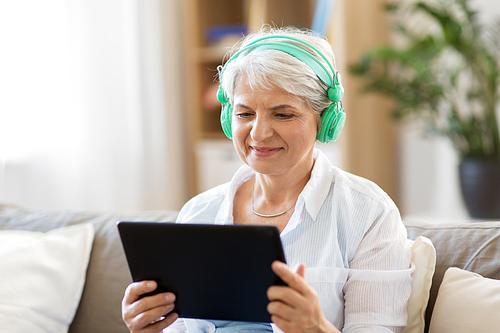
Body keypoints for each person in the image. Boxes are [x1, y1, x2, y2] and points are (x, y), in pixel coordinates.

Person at [122, 26, 413, 333]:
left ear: (325, 119)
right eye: (244, 114)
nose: (259, 133)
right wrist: (150, 328)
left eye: (283, 114)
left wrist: (316, 329)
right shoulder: (198, 213)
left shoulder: (368, 213)